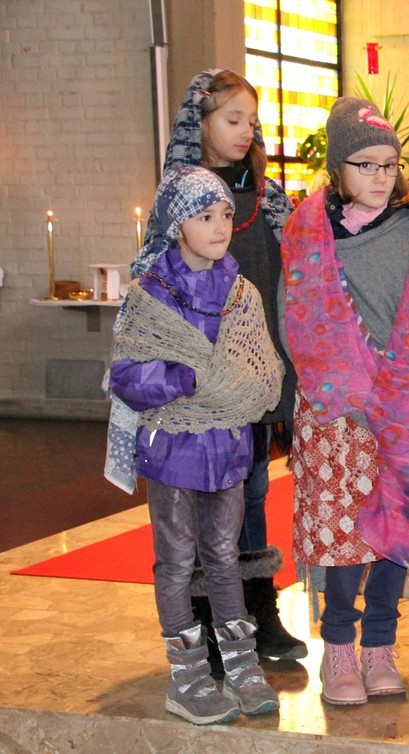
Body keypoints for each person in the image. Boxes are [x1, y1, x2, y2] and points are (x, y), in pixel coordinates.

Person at [281, 97, 409, 706]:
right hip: (335, 412)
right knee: (342, 535)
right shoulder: (307, 228)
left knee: (395, 529)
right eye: (366, 165)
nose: (381, 177)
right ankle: (338, 650)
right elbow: (294, 317)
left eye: (390, 165)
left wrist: (405, 386)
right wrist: (339, 386)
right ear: (338, 167)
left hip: (407, 406)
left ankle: (380, 644)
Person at [107, 165, 285, 724]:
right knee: (177, 561)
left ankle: (241, 665)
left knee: (225, 557)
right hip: (172, 451)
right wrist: (187, 377)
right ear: (177, 225)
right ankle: (186, 676)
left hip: (227, 448)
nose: (220, 226)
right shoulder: (151, 296)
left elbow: (261, 370)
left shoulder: (240, 293)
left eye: (226, 214)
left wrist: (227, 385)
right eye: (205, 216)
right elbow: (126, 375)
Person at [154, 69, 305, 669]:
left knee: (253, 491)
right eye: (232, 119)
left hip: (258, 378)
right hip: (202, 384)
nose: (246, 132)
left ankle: (257, 613)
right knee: (203, 502)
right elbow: (157, 285)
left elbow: (290, 283)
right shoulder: (180, 197)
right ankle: (207, 623)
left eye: (251, 121)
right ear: (200, 123)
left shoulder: (266, 195)